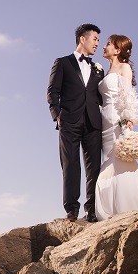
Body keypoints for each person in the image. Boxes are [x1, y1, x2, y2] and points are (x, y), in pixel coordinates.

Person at [94, 34, 138, 220]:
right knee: (107, 160)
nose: (104, 46)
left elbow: (128, 94)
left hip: (116, 119)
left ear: (118, 49)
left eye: (108, 44)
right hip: (104, 119)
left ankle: (127, 207)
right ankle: (110, 208)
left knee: (118, 160)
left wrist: (128, 120)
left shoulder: (124, 67)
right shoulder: (106, 70)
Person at [47, 23, 104, 222]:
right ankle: (72, 209)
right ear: (83, 38)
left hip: (93, 122)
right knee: (70, 164)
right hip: (69, 121)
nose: (98, 43)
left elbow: (101, 96)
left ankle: (92, 209)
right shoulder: (63, 63)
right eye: (95, 39)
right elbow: (52, 91)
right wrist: (57, 115)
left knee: (94, 167)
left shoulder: (98, 69)